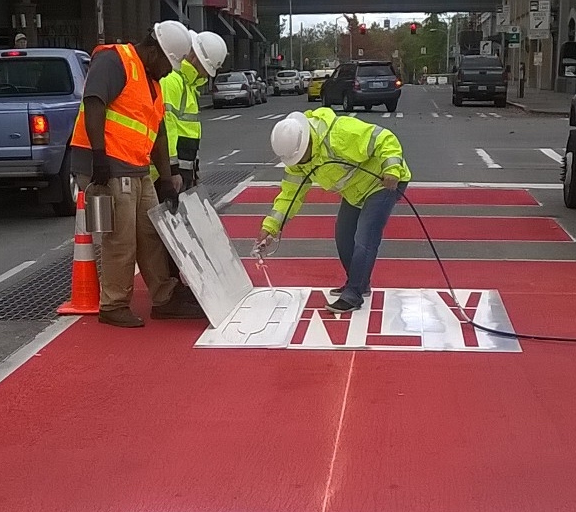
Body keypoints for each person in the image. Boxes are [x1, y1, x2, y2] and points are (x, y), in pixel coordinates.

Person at [70, 23, 205, 328]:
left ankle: (164, 297)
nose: (170, 72)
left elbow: (158, 134)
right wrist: (99, 156)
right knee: (121, 239)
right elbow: (94, 102)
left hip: (136, 167)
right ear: (154, 50)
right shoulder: (115, 60)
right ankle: (113, 304)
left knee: (151, 234)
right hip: (109, 166)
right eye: (168, 64)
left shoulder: (152, 84)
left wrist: (168, 179)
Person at [256, 109, 411, 313]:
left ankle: (353, 294)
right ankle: (360, 283)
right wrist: (271, 226)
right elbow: (290, 195)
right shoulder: (298, 161)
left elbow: (384, 139)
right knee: (343, 236)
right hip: (355, 192)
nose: (301, 163)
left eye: (301, 157)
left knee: (366, 236)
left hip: (383, 183)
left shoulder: (339, 133)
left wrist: (391, 170)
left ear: (308, 142)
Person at [157, 30, 227, 188]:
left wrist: (193, 168)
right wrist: (171, 171)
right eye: (205, 69)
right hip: (170, 172)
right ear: (196, 59)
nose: (206, 75)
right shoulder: (172, 81)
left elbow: (187, 131)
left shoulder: (188, 85)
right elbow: (168, 127)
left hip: (182, 170)